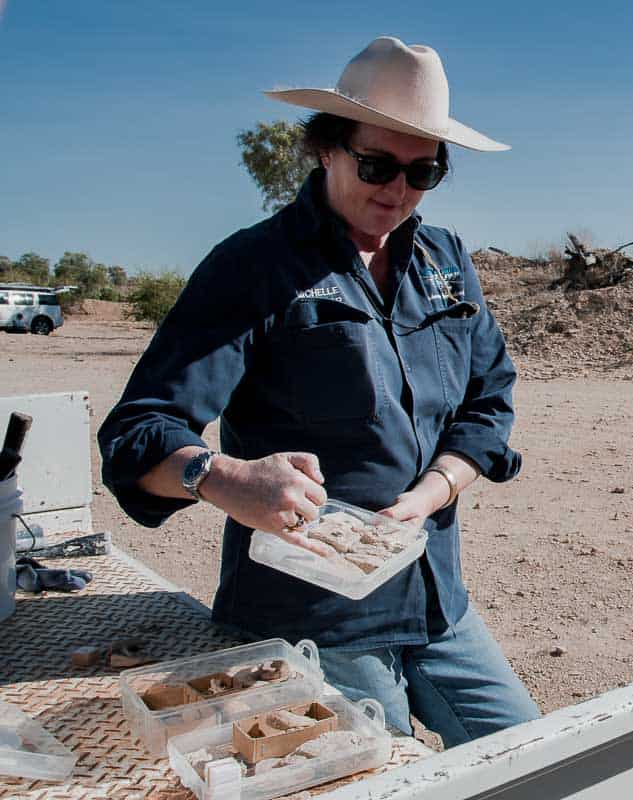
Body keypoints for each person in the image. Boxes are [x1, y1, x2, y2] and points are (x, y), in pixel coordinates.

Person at [97, 36, 539, 746]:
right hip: (312, 622)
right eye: (377, 166)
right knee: (384, 782)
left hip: (436, 602)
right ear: (326, 148)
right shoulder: (254, 267)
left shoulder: (446, 262)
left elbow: (490, 399)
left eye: (423, 171)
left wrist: (431, 494)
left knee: (537, 759)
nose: (397, 190)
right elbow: (138, 430)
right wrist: (222, 476)